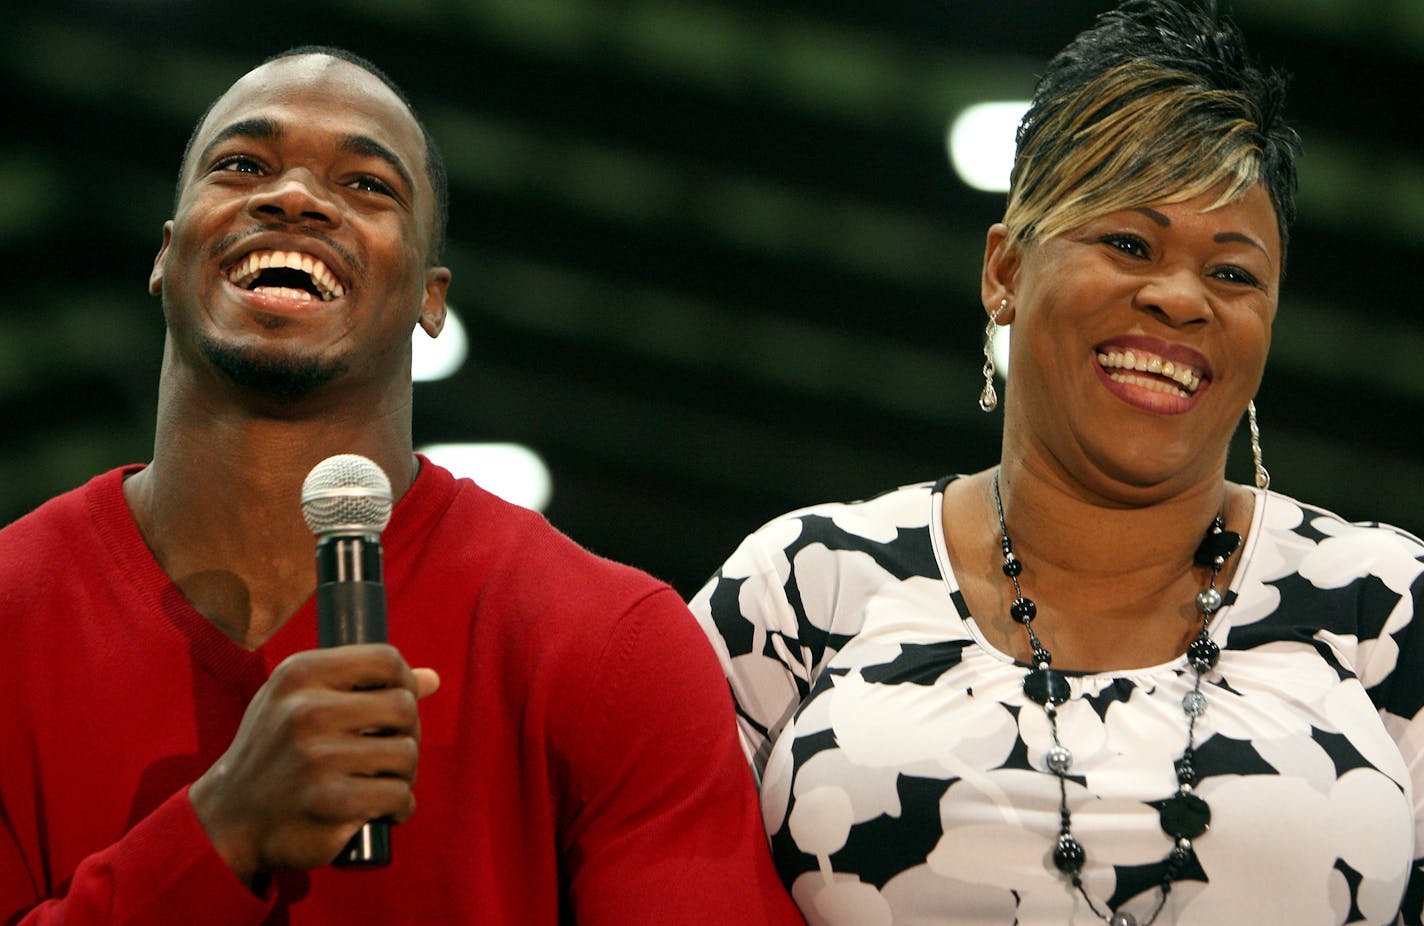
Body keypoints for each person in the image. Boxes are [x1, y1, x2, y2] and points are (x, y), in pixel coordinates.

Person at [0, 46, 804, 925]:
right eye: (242, 166)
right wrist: (219, 831)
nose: (296, 197)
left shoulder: (613, 648)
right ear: (165, 255)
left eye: (367, 185)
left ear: (432, 297)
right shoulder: (12, 610)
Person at [689, 2, 1423, 924]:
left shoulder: (1386, 607)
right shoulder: (801, 590)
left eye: (1233, 274)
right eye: (1128, 244)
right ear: (1003, 271)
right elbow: (636, 869)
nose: (1179, 299)